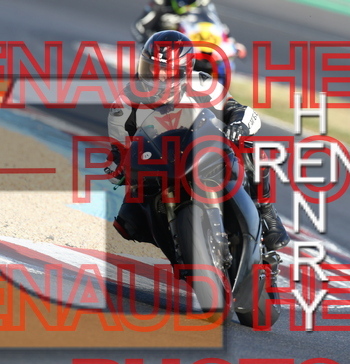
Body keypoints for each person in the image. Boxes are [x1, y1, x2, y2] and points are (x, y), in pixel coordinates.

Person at [106, 30, 290, 253]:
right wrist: (120, 167)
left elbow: (239, 110)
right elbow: (119, 151)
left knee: (250, 148)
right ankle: (176, 245)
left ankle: (267, 211)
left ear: (185, 70)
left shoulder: (202, 84)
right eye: (152, 68)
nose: (158, 77)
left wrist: (238, 124)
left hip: (206, 148)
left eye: (167, 71)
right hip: (160, 166)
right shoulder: (125, 104)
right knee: (128, 223)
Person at [131, 0, 212, 44]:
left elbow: (214, 26)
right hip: (161, 51)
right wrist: (149, 43)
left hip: (192, 50)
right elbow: (139, 27)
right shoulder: (160, 2)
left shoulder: (203, 4)